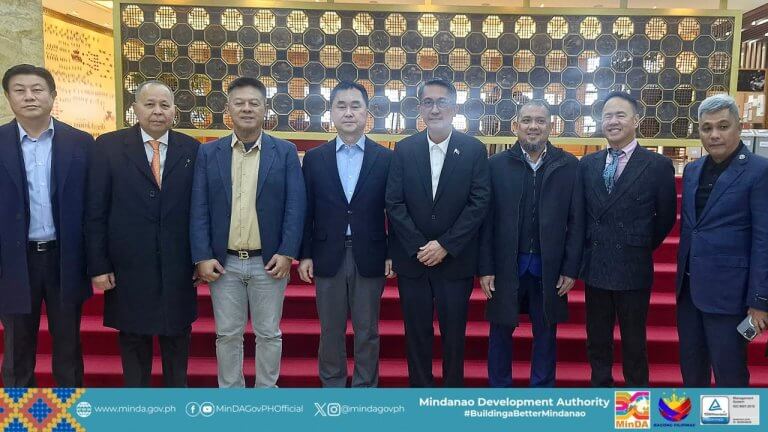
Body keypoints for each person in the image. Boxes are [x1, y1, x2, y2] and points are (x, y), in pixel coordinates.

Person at [190, 77, 306, 388]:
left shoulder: (284, 152)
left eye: (254, 103)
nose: (246, 108)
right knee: (227, 334)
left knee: (269, 333)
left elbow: (296, 207)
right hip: (223, 263)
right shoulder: (209, 153)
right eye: (239, 102)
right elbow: (199, 206)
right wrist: (202, 255)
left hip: (267, 262)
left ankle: (267, 392)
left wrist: (287, 252)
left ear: (264, 108)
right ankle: (232, 397)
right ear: (228, 108)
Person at [87, 80, 199, 387]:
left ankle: (178, 410)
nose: (157, 112)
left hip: (178, 265)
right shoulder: (108, 146)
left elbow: (201, 210)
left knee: (177, 339)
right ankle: (138, 409)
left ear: (175, 111)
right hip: (128, 266)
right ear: (135, 109)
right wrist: (98, 265)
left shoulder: (192, 148)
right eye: (149, 105)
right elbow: (95, 210)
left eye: (164, 105)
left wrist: (201, 257)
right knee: (134, 341)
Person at [385, 78, 490, 387]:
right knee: (416, 333)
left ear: (454, 107)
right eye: (428, 102)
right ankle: (421, 394)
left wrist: (445, 244)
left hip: (455, 261)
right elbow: (394, 201)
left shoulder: (473, 150)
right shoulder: (404, 149)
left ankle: (451, 396)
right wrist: (420, 246)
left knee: (454, 334)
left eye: (442, 101)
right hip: (413, 261)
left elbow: (479, 203)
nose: (435, 108)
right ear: (420, 108)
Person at [478, 100, 584, 387]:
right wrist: (486, 268)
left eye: (540, 121)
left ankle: (542, 391)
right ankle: (499, 391)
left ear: (550, 127)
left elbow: (577, 221)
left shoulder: (568, 166)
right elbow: (486, 221)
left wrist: (571, 268)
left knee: (546, 333)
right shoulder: (496, 166)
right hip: (505, 264)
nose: (533, 126)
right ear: (515, 126)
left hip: (548, 267)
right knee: (500, 332)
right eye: (526, 121)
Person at [0, 64, 93, 387]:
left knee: (68, 347)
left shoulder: (81, 142)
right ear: (8, 97)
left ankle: (69, 415)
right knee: (16, 349)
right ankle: (16, 419)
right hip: (14, 262)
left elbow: (92, 208)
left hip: (63, 260)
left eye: (37, 90)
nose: (29, 97)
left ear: (53, 96)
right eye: (20, 90)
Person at [298, 81, 394, 387]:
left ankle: (365, 389)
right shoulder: (315, 159)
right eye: (341, 106)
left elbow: (394, 211)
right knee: (331, 329)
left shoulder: (385, 158)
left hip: (371, 253)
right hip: (328, 255)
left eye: (356, 106)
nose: (349, 113)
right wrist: (305, 254)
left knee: (368, 330)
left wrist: (392, 253)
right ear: (332, 112)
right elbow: (306, 209)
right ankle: (333, 388)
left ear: (367, 113)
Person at [580, 91, 677, 387]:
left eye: (620, 115)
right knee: (597, 341)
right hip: (596, 266)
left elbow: (665, 218)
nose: (613, 121)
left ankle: (635, 407)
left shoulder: (657, 165)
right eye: (607, 116)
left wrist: (638, 244)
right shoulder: (588, 164)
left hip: (633, 267)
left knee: (634, 344)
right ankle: (600, 397)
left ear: (636, 120)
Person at [676, 94, 768, 387]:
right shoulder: (692, 170)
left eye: (723, 126)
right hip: (689, 291)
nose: (714, 134)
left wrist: (760, 302)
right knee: (691, 370)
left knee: (730, 374)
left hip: (731, 295)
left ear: (738, 128)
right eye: (706, 128)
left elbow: (764, 240)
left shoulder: (759, 171)